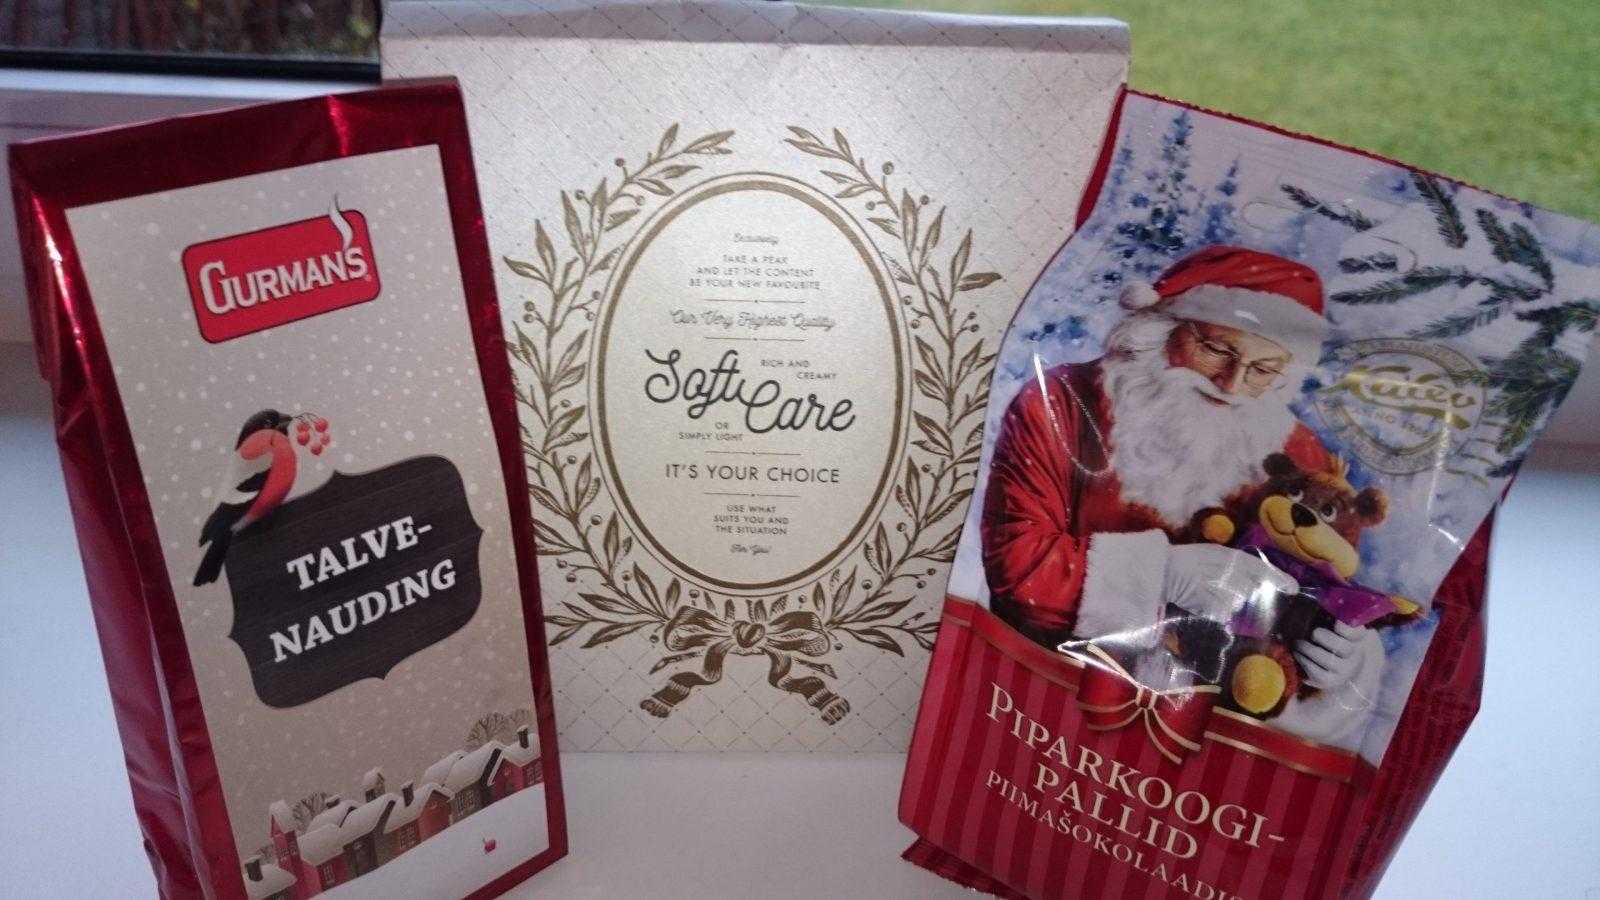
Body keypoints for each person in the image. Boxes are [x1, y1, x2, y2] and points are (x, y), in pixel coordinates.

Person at [980, 245, 1382, 746]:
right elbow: (1019, 571)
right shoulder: (1060, 401)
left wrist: (1342, 660)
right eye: (1217, 349)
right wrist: (1163, 573)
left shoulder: (1295, 452)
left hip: (1209, 735)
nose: (1231, 384)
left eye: (1262, 370)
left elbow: (1323, 578)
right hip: (1046, 705)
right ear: (1161, 329)